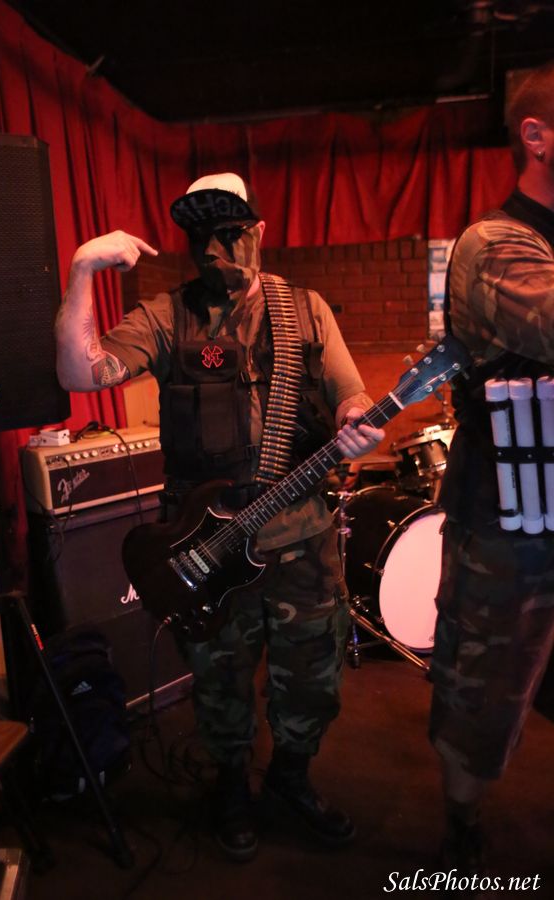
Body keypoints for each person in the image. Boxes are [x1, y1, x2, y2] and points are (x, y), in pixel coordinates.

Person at [55, 172, 385, 861]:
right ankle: (231, 786)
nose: (215, 251)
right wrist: (83, 268)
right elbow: (81, 372)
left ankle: (290, 779)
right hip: (207, 542)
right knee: (219, 681)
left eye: (231, 233)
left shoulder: (305, 310)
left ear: (259, 231)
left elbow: (350, 395)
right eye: (202, 236)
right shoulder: (165, 316)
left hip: (300, 539)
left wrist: (357, 422)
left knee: (312, 676)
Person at [429, 63, 554, 876]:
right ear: (536, 136)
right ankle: (461, 831)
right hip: (512, 518)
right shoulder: (496, 243)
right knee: (483, 694)